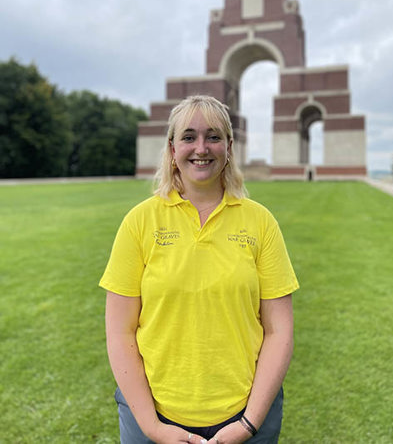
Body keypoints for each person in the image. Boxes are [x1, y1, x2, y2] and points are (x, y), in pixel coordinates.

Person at [99, 95, 299, 444]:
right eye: (189, 137)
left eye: (214, 136)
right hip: (151, 417)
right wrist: (153, 427)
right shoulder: (139, 222)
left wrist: (248, 425)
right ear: (172, 148)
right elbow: (120, 332)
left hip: (247, 417)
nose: (201, 148)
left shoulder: (261, 222)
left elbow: (279, 331)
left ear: (229, 146)